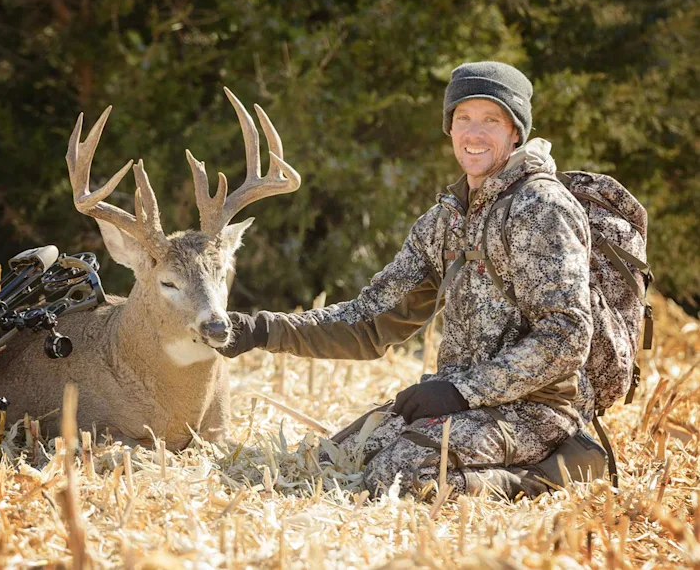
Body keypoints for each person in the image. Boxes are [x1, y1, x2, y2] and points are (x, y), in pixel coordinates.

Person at [218, 61, 607, 500]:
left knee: (398, 476)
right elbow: (368, 320)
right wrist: (261, 330)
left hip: (537, 410)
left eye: (490, 120)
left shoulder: (541, 207)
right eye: (463, 118)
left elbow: (567, 334)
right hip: (463, 405)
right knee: (330, 461)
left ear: (515, 131)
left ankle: (561, 471)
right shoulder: (447, 218)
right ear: (449, 128)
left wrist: (461, 391)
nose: (474, 133)